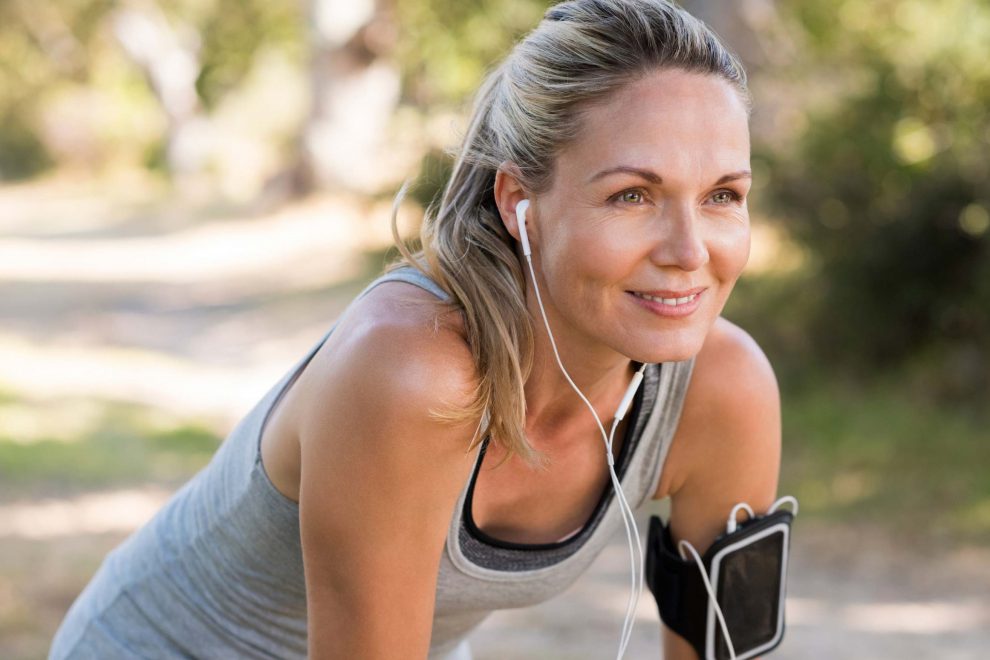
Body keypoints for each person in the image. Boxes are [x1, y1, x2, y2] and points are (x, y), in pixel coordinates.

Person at [49, 0, 781, 658]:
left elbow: (729, 656)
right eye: (632, 195)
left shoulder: (723, 391)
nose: (691, 252)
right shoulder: (414, 372)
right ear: (520, 203)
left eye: (723, 195)